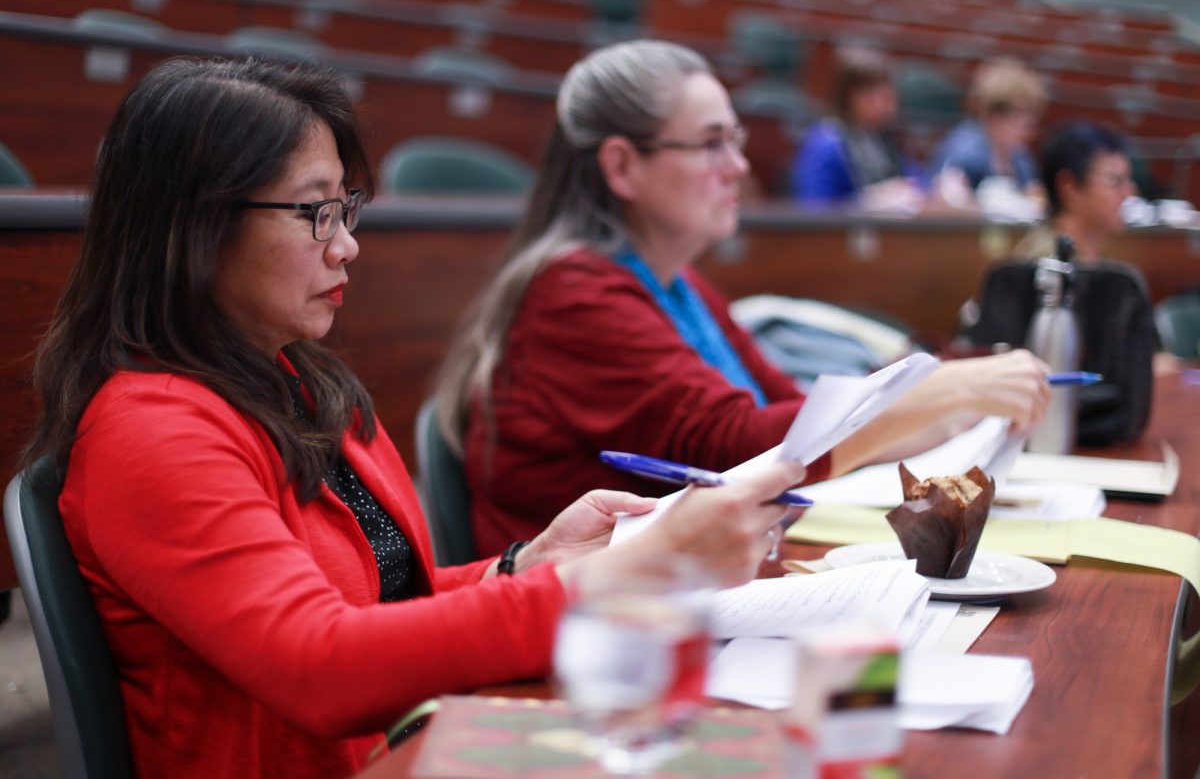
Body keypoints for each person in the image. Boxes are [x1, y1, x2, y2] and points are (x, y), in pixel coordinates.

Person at [22, 57, 809, 779]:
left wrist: (525, 564)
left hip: (412, 744)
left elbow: (380, 605)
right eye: (314, 213)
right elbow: (320, 663)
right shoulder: (151, 430)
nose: (347, 247)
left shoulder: (297, 380)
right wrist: (614, 577)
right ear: (195, 225)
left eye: (346, 208)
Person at [436, 39, 1051, 558]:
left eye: (735, 139)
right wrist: (946, 387)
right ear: (622, 167)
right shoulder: (571, 295)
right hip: (577, 642)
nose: (738, 166)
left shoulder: (679, 282)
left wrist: (947, 414)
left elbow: (790, 407)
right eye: (711, 144)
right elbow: (736, 447)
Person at [790, 45, 924, 211]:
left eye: (887, 87)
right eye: (870, 89)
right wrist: (867, 203)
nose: (885, 97)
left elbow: (915, 185)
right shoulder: (825, 143)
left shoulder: (887, 138)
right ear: (846, 95)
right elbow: (812, 210)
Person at [1013, 120, 1136, 263]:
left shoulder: (1085, 256)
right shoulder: (1046, 266)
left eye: (1128, 180)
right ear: (1070, 188)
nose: (1129, 193)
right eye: (1115, 181)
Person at [928, 58, 1046, 197]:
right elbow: (942, 199)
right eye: (1024, 123)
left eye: (1032, 123)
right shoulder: (963, 150)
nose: (1029, 132)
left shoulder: (1020, 158)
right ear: (995, 116)